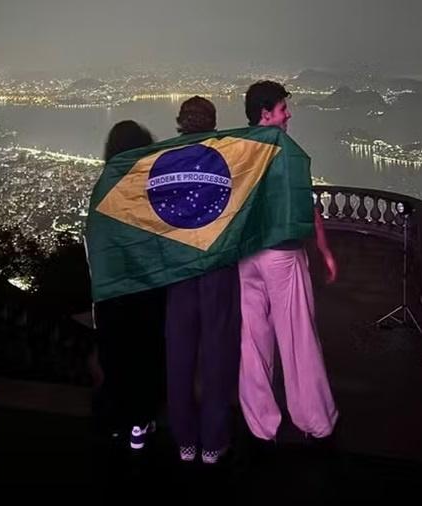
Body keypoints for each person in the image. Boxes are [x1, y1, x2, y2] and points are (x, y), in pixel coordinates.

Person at [238, 81, 338, 442]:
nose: (288, 114)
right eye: (283, 108)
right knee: (298, 335)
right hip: (282, 253)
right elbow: (306, 206)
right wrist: (324, 250)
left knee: (252, 339)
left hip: (246, 256)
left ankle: (261, 423)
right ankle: (314, 419)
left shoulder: (238, 150)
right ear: (266, 113)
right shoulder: (287, 152)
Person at [162, 97, 241, 465]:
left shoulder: (160, 161)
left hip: (178, 269)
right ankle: (213, 440)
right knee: (217, 352)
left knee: (179, 354)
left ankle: (185, 441)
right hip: (216, 265)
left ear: (180, 122)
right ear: (212, 123)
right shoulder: (226, 158)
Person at [90, 120, 166, 452]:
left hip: (110, 293)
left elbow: (96, 239)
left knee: (116, 358)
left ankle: (117, 425)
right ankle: (140, 423)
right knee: (145, 356)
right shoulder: (145, 185)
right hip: (144, 291)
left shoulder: (104, 184)